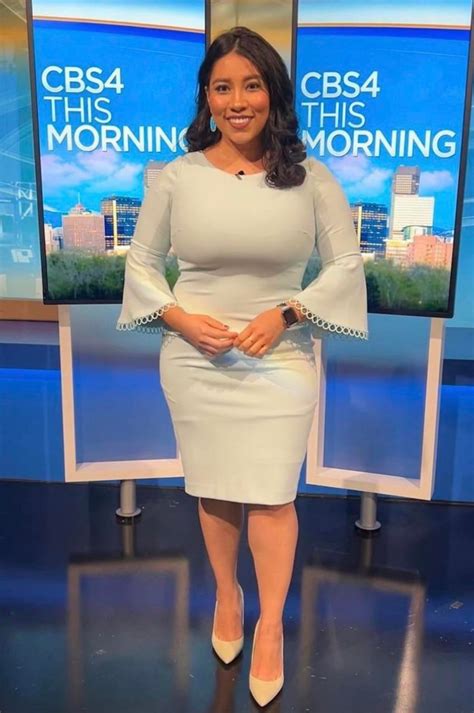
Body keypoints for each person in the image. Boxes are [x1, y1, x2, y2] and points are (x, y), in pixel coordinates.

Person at [117, 26, 368, 707]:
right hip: (196, 361)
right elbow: (142, 263)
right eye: (222, 87)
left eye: (251, 85)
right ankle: (227, 595)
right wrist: (179, 318)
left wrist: (286, 313)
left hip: (280, 359)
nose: (237, 101)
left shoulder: (310, 178)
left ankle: (271, 624)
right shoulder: (178, 176)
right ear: (206, 95)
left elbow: (346, 265)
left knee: (274, 495)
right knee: (216, 489)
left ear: (272, 93)